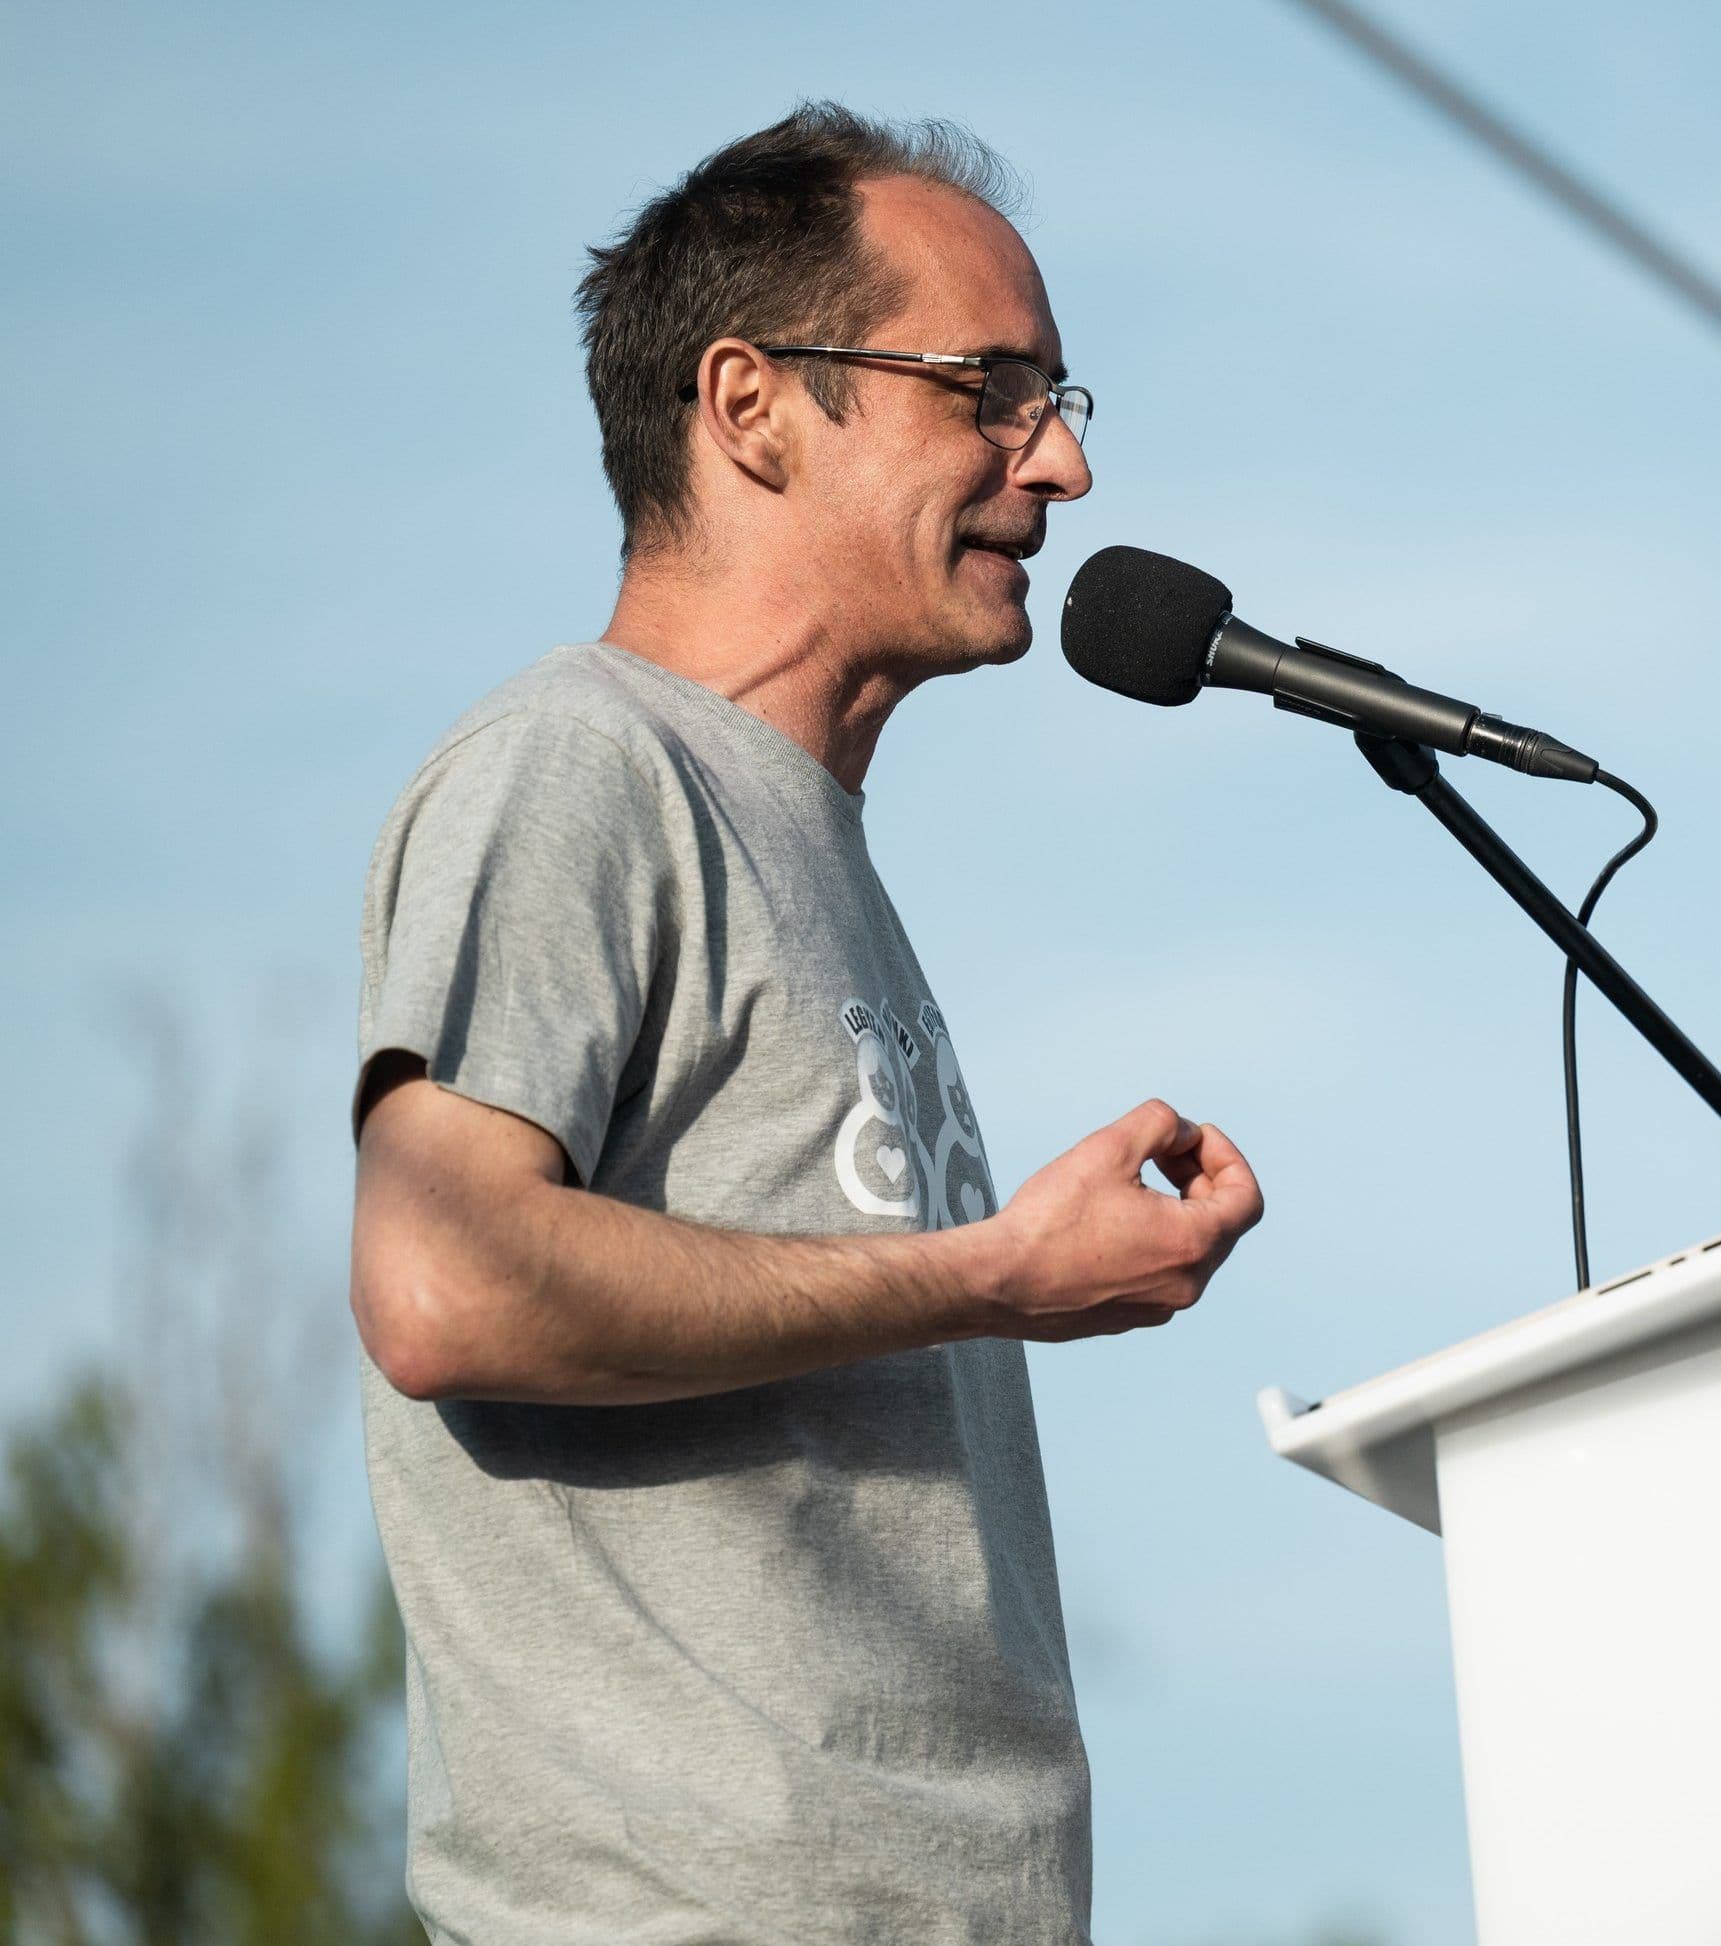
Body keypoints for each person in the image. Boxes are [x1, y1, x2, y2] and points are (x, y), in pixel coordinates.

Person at [345, 104, 1259, 1942]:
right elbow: (442, 1284)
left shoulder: (811, 844)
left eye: (1057, 397)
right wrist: (992, 1273)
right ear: (750, 405)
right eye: (989, 391)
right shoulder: (576, 763)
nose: (1063, 462)